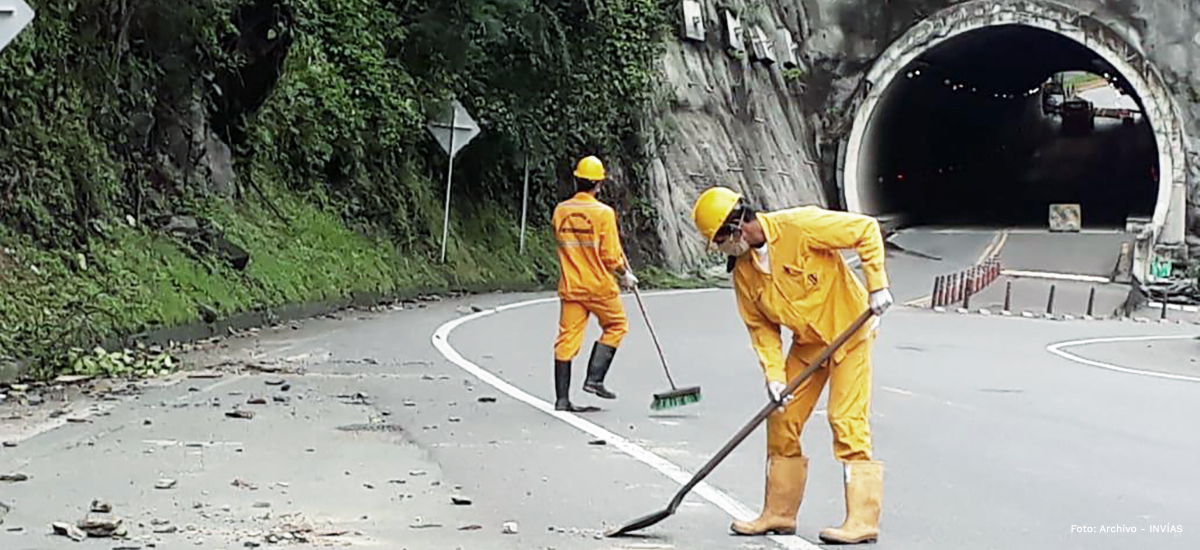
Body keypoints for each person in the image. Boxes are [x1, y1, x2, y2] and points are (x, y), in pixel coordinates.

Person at [690, 186, 893, 544]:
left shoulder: (800, 226)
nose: (721, 249)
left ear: (737, 225)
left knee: (846, 420)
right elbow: (762, 329)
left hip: (851, 332)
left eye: (720, 240)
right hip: (809, 345)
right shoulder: (744, 273)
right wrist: (774, 377)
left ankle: (862, 520)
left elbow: (865, 230)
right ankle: (778, 514)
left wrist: (876, 286)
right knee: (782, 416)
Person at [551, 155, 638, 413]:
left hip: (571, 286)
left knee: (566, 340)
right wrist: (625, 275)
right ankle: (594, 379)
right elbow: (611, 255)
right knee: (616, 325)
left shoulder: (560, 211)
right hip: (599, 287)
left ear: (577, 180)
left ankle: (562, 400)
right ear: (599, 185)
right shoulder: (603, 213)